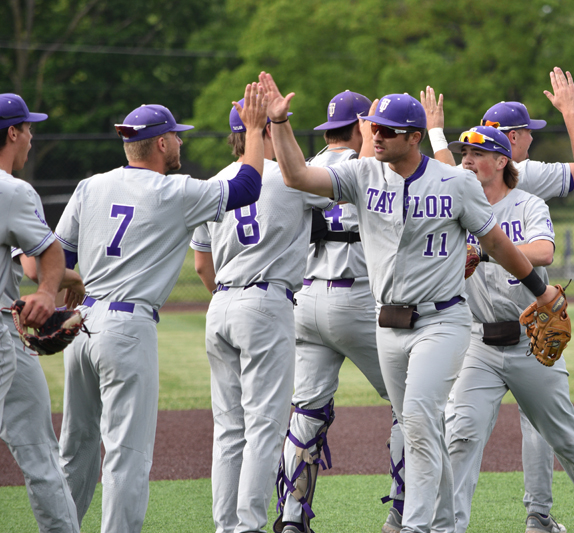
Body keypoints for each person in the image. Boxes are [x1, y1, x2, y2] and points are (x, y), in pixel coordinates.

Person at [261, 70, 565, 533]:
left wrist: (540, 291)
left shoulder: (455, 182)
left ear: (415, 137)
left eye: (386, 130)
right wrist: (280, 125)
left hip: (442, 322)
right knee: (421, 429)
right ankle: (444, 524)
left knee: (420, 423)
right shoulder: (362, 175)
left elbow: (500, 245)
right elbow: (298, 175)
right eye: (372, 127)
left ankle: (415, 526)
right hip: (387, 325)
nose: (374, 135)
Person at [54, 83, 269, 533]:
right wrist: (252, 129)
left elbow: (60, 258)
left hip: (81, 323)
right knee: (127, 455)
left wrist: (68, 281)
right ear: (161, 143)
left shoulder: (90, 185)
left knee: (74, 449)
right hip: (127, 331)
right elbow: (248, 185)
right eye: (177, 135)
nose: (182, 142)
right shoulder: (175, 192)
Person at [423, 68, 574, 533]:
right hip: (480, 345)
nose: (467, 160)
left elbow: (544, 252)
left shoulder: (528, 200)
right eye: (465, 153)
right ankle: (450, 527)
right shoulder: (454, 201)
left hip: (529, 337)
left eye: (478, 153)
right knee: (460, 436)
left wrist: (483, 251)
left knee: (563, 439)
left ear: (502, 159)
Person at [264, 90, 406, 533]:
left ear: (329, 128)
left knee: (307, 411)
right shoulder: (376, 168)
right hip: (359, 299)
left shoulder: (308, 166)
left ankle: (291, 518)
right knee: (410, 405)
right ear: (364, 123)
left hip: (305, 299)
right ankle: (402, 512)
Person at [191, 97, 333, 533]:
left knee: (228, 430)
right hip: (266, 301)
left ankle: (225, 525)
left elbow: (201, 265)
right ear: (268, 131)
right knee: (265, 427)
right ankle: (248, 525)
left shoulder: (214, 183)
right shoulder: (290, 178)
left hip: (221, 303)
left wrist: (229, 295)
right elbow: (333, 193)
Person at [0, 93, 74, 532]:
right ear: (13, 133)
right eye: (28, 129)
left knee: (40, 453)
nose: (31, 137)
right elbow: (47, 253)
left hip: (7, 330)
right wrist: (48, 291)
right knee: (40, 456)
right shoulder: (11, 190)